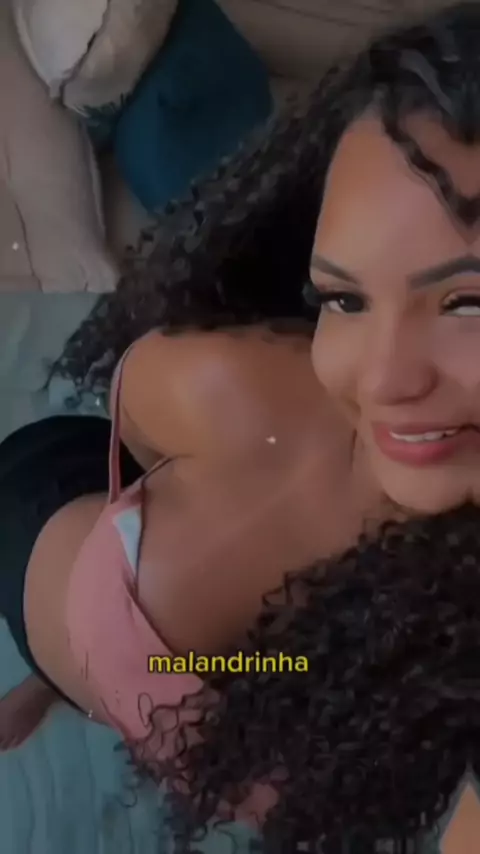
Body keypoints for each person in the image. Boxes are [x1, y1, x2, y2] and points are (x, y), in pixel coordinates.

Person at [1, 2, 480, 850]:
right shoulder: (223, 384)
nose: (385, 380)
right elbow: (136, 439)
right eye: (345, 299)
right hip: (41, 515)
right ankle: (83, 670)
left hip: (216, 651)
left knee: (231, 667)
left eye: (468, 303)